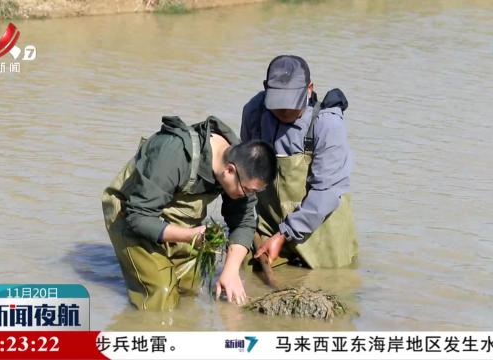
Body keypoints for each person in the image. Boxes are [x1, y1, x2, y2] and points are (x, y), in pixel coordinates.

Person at [102, 115, 277, 311]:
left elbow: (244, 221)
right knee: (162, 294)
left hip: (172, 214)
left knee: (190, 287)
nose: (248, 196)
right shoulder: (174, 154)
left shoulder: (240, 164)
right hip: (131, 211)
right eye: (248, 191)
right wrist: (189, 236)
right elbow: (138, 217)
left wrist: (231, 270)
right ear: (229, 170)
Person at [241, 55, 358, 269]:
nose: (284, 110)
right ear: (266, 89)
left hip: (322, 232)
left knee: (331, 284)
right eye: (278, 103)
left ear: (310, 89)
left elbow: (326, 192)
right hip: (270, 225)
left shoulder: (327, 124)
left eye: (291, 102)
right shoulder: (254, 113)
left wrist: (285, 234)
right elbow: (246, 175)